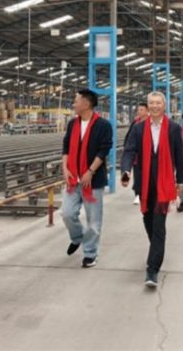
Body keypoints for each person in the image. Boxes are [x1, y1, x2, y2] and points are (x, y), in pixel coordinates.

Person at [121, 91, 183, 287]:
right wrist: (126, 170)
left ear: (164, 106)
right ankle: (156, 247)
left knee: (158, 224)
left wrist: (180, 181)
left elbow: (179, 155)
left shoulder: (173, 128)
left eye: (158, 103)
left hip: (164, 184)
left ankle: (152, 269)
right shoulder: (139, 128)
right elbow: (129, 150)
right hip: (144, 183)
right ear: (148, 106)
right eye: (152, 103)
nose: (155, 106)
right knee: (148, 219)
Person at [61, 89, 113, 268]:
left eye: (76, 100)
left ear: (86, 104)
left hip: (93, 181)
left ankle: (90, 253)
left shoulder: (103, 125)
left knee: (93, 220)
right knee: (67, 213)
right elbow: (66, 146)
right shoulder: (72, 124)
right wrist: (65, 168)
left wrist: (90, 171)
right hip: (73, 179)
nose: (73, 104)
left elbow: (104, 150)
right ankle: (77, 237)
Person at [124, 103, 149, 205]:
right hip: (136, 156)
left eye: (142, 109)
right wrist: (127, 148)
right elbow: (128, 136)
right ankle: (138, 194)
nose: (139, 111)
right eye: (138, 110)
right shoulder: (135, 123)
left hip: (148, 155)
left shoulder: (150, 123)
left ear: (147, 111)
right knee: (137, 176)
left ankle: (147, 193)